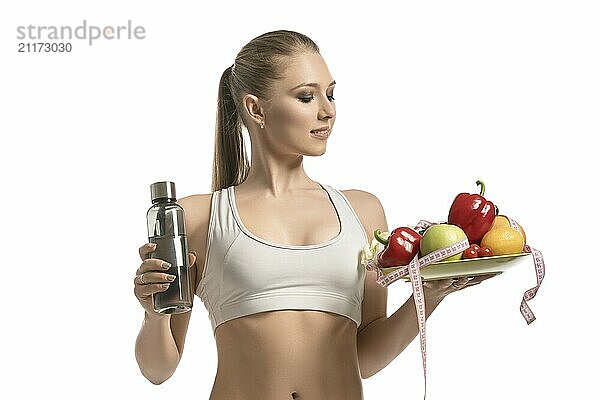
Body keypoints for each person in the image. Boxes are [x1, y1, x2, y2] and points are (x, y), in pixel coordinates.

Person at [133, 30, 496, 400]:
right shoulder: (200, 217)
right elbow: (158, 369)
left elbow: (364, 359)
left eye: (331, 93)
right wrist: (154, 314)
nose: (328, 110)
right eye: (306, 96)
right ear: (256, 108)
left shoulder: (363, 211)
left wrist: (431, 295)